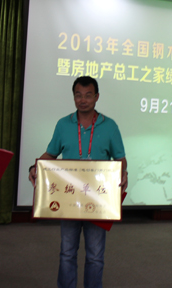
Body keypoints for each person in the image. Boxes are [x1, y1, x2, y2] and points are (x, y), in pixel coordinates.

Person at [28, 76, 128, 288]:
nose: (83, 100)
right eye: (78, 95)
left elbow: (120, 159)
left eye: (88, 95)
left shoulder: (110, 126)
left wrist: (123, 172)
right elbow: (50, 154)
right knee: (67, 253)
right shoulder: (63, 124)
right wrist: (34, 167)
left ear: (97, 97)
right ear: (73, 97)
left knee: (95, 255)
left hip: (98, 201)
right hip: (69, 200)